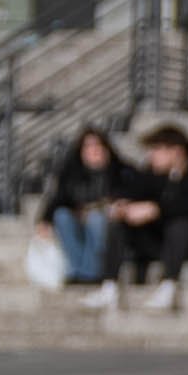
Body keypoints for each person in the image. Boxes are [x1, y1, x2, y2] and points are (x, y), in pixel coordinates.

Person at [106, 124, 188, 304]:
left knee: (182, 223)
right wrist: (125, 206)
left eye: (156, 150)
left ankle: (170, 284)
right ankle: (110, 285)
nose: (151, 156)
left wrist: (157, 210)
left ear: (175, 151)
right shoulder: (151, 172)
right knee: (119, 223)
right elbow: (134, 190)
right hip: (159, 240)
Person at [40, 125, 139, 292]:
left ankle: (91, 273)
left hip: (109, 224)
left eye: (97, 145)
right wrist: (44, 220)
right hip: (78, 222)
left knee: (96, 219)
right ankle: (76, 271)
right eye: (88, 146)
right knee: (61, 216)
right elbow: (58, 199)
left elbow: (132, 195)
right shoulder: (71, 173)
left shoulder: (122, 171)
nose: (94, 150)